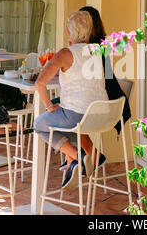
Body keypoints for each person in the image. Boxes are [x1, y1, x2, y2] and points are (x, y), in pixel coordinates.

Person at [34, 11, 108, 189]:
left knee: (40, 125)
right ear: (91, 32)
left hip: (79, 115)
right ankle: (73, 163)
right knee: (64, 116)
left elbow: (39, 83)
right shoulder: (97, 50)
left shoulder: (65, 53)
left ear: (68, 32)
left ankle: (78, 156)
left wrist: (50, 106)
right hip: (102, 114)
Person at [79, 6, 132, 135]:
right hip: (113, 101)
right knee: (64, 110)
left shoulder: (91, 47)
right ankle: (79, 152)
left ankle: (78, 152)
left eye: (80, 20)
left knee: (65, 110)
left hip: (103, 104)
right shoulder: (101, 42)